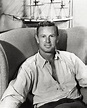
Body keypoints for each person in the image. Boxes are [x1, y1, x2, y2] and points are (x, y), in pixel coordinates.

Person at [0, 21, 87, 108]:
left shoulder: (70, 58)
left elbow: (85, 78)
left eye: (51, 36)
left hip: (75, 103)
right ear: (37, 39)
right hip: (48, 105)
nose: (47, 41)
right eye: (43, 36)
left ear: (57, 38)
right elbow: (14, 95)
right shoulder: (29, 66)